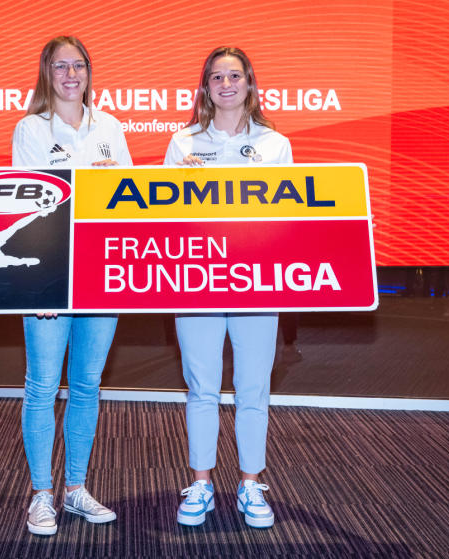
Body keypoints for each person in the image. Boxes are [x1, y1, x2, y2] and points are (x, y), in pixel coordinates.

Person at [164, 46, 292, 529]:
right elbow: (165, 217)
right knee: (202, 387)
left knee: (253, 387)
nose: (226, 84)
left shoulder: (275, 145)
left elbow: (290, 218)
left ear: (249, 83)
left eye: (234, 76)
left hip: (257, 281)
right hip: (196, 279)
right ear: (205, 88)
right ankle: (201, 483)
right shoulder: (183, 144)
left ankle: (250, 483)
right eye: (216, 77)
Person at [11, 36, 132, 536]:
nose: (70, 75)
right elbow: (26, 209)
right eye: (60, 66)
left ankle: (76, 488)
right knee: (42, 386)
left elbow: (130, 202)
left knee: (86, 384)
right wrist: (38, 285)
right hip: (49, 276)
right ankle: (42, 494)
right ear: (47, 73)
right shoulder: (31, 128)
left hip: (100, 273)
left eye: (77, 65)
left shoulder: (110, 127)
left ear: (88, 71)